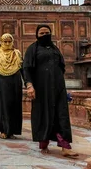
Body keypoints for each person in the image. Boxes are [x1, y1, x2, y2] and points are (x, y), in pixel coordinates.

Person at [23, 25, 78, 157]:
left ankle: (65, 146)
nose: (44, 35)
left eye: (47, 33)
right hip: (41, 89)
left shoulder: (55, 49)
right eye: (41, 33)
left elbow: (61, 66)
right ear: (37, 35)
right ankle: (44, 143)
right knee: (43, 114)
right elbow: (26, 68)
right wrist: (29, 85)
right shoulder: (33, 49)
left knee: (61, 115)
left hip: (58, 87)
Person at [0, 33, 24, 139]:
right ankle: (4, 129)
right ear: (1, 42)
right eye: (5, 41)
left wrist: (28, 83)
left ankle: (11, 130)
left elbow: (23, 70)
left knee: (14, 107)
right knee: (3, 106)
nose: (7, 43)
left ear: (12, 42)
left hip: (16, 83)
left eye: (9, 41)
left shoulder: (17, 54)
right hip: (2, 83)